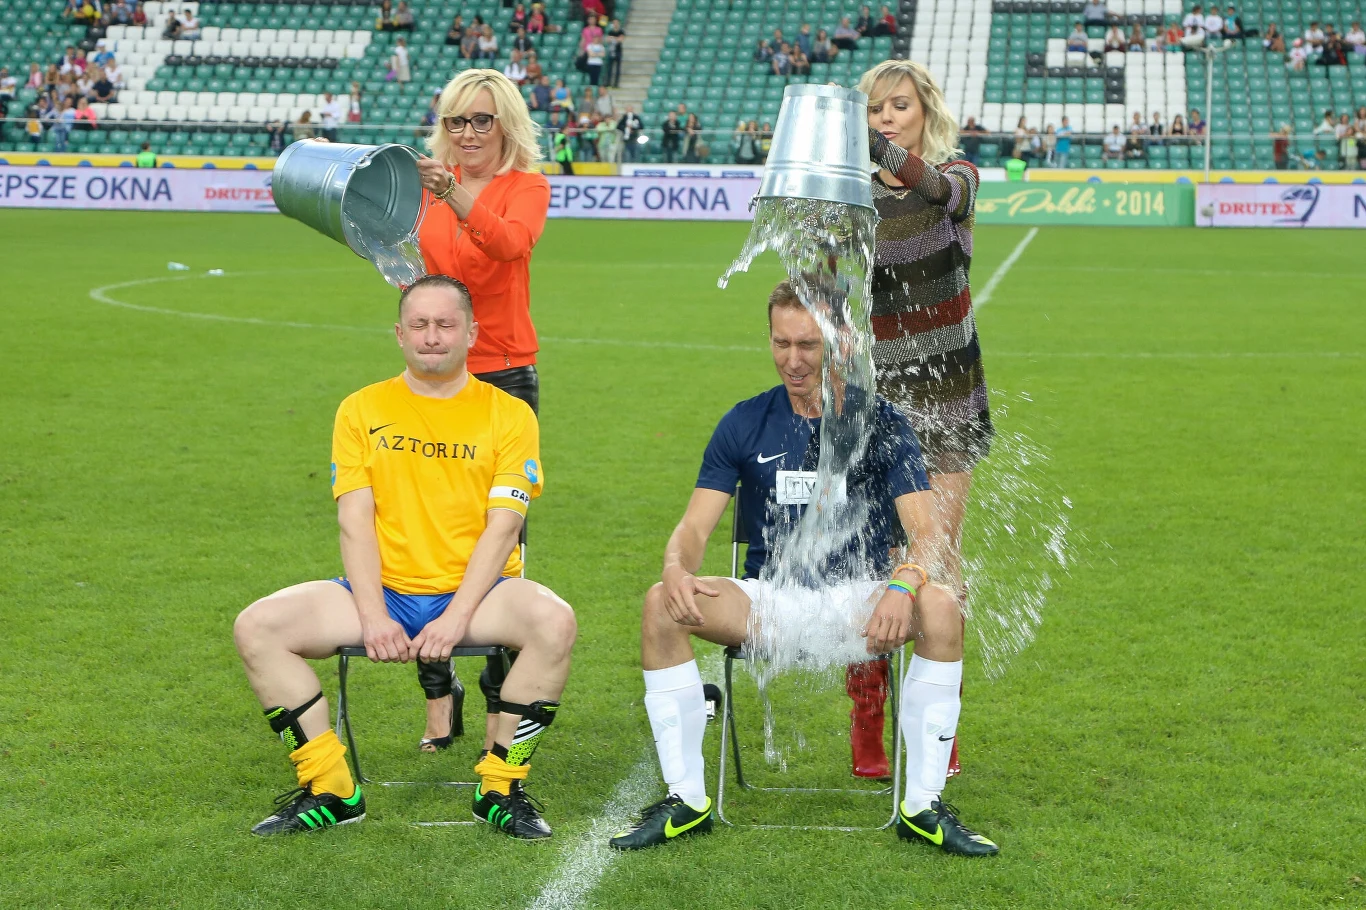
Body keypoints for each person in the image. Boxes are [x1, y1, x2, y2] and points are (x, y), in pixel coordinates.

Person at [607, 281, 998, 857]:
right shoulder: (743, 422)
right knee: (659, 605)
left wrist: (902, 582)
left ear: (839, 343)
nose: (793, 360)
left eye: (809, 346)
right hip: (771, 601)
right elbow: (694, 529)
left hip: (862, 604)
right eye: (781, 343)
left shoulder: (881, 422)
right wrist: (674, 567)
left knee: (942, 603)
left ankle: (923, 806)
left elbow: (929, 536)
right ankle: (686, 800)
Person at [234, 275, 575, 840]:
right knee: (258, 627)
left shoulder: (510, 414)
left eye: (446, 325)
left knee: (554, 621)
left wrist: (456, 618)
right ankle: (332, 788)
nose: (432, 337)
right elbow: (354, 520)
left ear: (472, 332)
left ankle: (500, 787)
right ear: (399, 334)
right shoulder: (361, 409)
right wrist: (372, 615)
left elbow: (504, 527)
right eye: (420, 325)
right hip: (384, 589)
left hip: (480, 595)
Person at [412, 70, 554, 752]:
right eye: (457, 121)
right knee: (419, 541)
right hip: (435, 376)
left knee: (502, 550)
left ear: (507, 125)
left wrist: (456, 195)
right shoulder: (427, 188)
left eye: (481, 121)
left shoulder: (526, 186)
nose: (467, 133)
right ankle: (440, 695)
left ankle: (502, 700)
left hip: (504, 380)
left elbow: (509, 245)